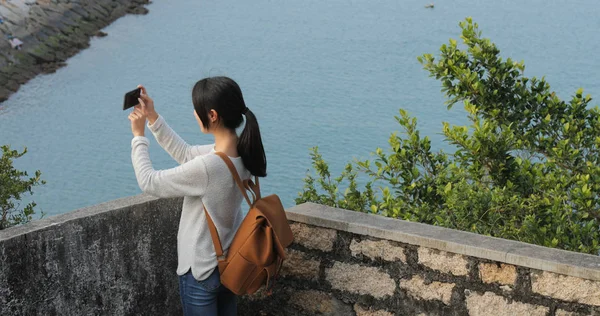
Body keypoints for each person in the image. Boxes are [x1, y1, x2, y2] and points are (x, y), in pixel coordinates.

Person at [127, 77, 267, 316]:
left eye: (197, 109)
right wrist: (152, 117)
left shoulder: (209, 166)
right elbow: (186, 153)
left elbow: (149, 182)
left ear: (212, 115)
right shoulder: (241, 152)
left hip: (201, 272)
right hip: (229, 266)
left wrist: (138, 137)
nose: (194, 113)